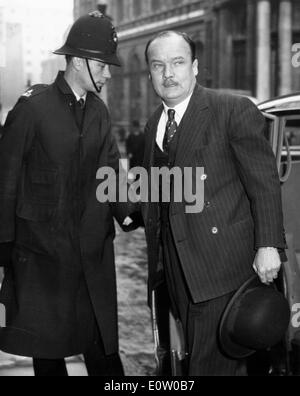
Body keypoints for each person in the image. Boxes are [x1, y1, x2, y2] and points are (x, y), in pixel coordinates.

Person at [142, 30, 287, 376]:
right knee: (196, 358)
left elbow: (264, 181)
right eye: (158, 66)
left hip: (222, 265)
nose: (168, 74)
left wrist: (268, 244)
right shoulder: (153, 126)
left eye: (177, 63)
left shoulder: (231, 109)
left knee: (208, 367)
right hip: (176, 271)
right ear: (149, 73)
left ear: (194, 67)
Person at [0, 12, 134, 377]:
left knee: (103, 351)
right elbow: (6, 180)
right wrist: (5, 251)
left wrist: (130, 213)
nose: (108, 74)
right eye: (103, 66)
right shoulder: (33, 108)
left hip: (91, 255)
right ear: (78, 62)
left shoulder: (100, 112)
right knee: (48, 352)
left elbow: (110, 172)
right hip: (42, 257)